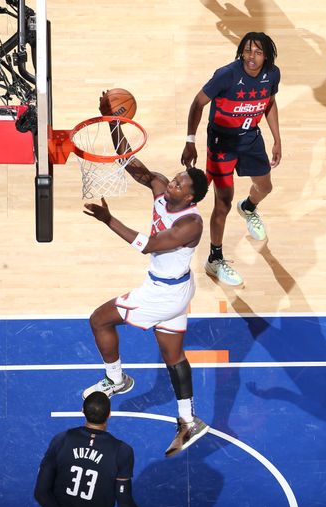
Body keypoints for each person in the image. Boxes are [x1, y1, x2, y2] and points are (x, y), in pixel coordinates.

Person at [82, 96, 210, 458]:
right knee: (174, 355)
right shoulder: (160, 188)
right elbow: (131, 164)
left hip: (162, 294)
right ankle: (188, 420)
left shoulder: (190, 224)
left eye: (180, 184)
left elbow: (150, 244)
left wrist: (110, 221)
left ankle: (117, 379)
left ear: (191, 197)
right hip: (179, 290)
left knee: (99, 320)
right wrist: (112, 122)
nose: (173, 183)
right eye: (175, 179)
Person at [181, 31, 282, 287]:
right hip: (222, 144)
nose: (252, 56)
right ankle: (215, 258)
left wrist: (277, 138)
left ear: (266, 56)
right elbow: (198, 103)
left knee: (266, 187)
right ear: (241, 51)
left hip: (251, 139)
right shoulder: (226, 74)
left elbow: (269, 103)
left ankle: (248, 207)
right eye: (248, 50)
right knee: (222, 204)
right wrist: (190, 141)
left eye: (258, 52)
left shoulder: (273, 74)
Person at [34, 392, 161, 507]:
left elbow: (41, 493)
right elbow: (125, 505)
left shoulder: (61, 439)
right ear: (109, 415)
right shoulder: (122, 451)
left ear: (83, 411)